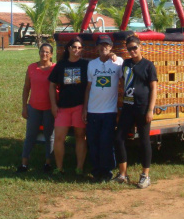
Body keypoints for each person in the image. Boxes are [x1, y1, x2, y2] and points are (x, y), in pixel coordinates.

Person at [113, 34, 158, 189]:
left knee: (144, 140)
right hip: (127, 107)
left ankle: (145, 175)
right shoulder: (125, 64)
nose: (132, 51)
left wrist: (150, 109)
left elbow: (154, 88)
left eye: (134, 48)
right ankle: (123, 174)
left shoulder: (148, 66)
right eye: (129, 48)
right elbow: (118, 73)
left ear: (140, 47)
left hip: (142, 107)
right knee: (119, 138)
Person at [82, 36, 123, 182]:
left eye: (107, 45)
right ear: (97, 48)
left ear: (111, 47)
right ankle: (96, 171)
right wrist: (85, 108)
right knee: (93, 142)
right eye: (101, 45)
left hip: (109, 111)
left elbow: (124, 82)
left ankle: (107, 171)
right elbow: (88, 87)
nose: (104, 47)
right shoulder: (92, 64)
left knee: (106, 142)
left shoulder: (118, 62)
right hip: (93, 110)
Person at [48, 36, 89, 176]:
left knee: (80, 137)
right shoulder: (61, 65)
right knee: (59, 137)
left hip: (79, 107)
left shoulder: (86, 64)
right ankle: (59, 167)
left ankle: (79, 167)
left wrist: (85, 108)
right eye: (74, 47)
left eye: (79, 48)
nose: (76, 50)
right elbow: (52, 85)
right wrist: (53, 105)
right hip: (63, 107)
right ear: (68, 48)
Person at [17, 42, 56, 173]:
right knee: (30, 135)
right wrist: (24, 106)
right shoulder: (32, 68)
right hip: (34, 107)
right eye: (42, 51)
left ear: (51, 54)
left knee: (49, 136)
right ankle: (24, 163)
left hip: (49, 108)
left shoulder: (55, 68)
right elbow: (26, 88)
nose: (44, 54)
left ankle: (48, 163)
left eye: (47, 52)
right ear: (39, 52)